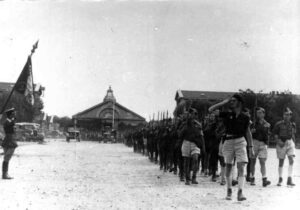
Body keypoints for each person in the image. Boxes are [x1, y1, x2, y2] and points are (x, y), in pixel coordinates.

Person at [209, 94, 254, 201]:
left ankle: (240, 192)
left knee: (241, 166)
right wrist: (224, 102)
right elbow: (210, 109)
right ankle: (229, 190)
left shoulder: (245, 117)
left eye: (233, 101)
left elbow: (248, 132)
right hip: (228, 141)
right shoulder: (227, 114)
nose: (231, 102)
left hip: (240, 141)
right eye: (231, 101)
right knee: (228, 166)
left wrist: (251, 147)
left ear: (239, 102)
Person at [179, 108, 205, 185]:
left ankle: (194, 177)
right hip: (186, 142)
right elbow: (180, 134)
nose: (194, 115)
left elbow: (201, 135)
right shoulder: (184, 124)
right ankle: (187, 178)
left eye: (195, 114)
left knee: (195, 159)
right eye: (193, 113)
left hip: (195, 144)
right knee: (186, 162)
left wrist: (203, 146)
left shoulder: (198, 124)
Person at [273, 107, 296, 187]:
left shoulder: (293, 125)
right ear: (283, 115)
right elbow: (275, 134)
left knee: (291, 160)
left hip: (290, 142)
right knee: (281, 161)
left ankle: (289, 178)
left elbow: (293, 135)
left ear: (290, 116)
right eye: (285, 114)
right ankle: (280, 178)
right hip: (281, 142)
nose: (287, 116)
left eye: (288, 115)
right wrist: (278, 142)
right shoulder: (278, 124)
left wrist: (294, 144)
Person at [249, 107, 271, 187]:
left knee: (262, 161)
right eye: (258, 113)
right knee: (253, 161)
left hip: (263, 143)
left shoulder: (267, 124)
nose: (259, 114)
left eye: (260, 112)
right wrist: (251, 132)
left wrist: (267, 144)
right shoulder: (253, 123)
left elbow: (268, 135)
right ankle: (252, 178)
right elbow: (249, 133)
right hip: (254, 142)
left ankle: (264, 179)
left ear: (264, 114)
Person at [1, 108, 18, 179]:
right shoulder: (7, 122)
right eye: (13, 113)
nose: (14, 114)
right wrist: (14, 120)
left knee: (6, 158)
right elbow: (11, 124)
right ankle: (4, 174)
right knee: (7, 157)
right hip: (9, 140)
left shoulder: (9, 121)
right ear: (10, 115)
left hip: (9, 140)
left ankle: (5, 173)